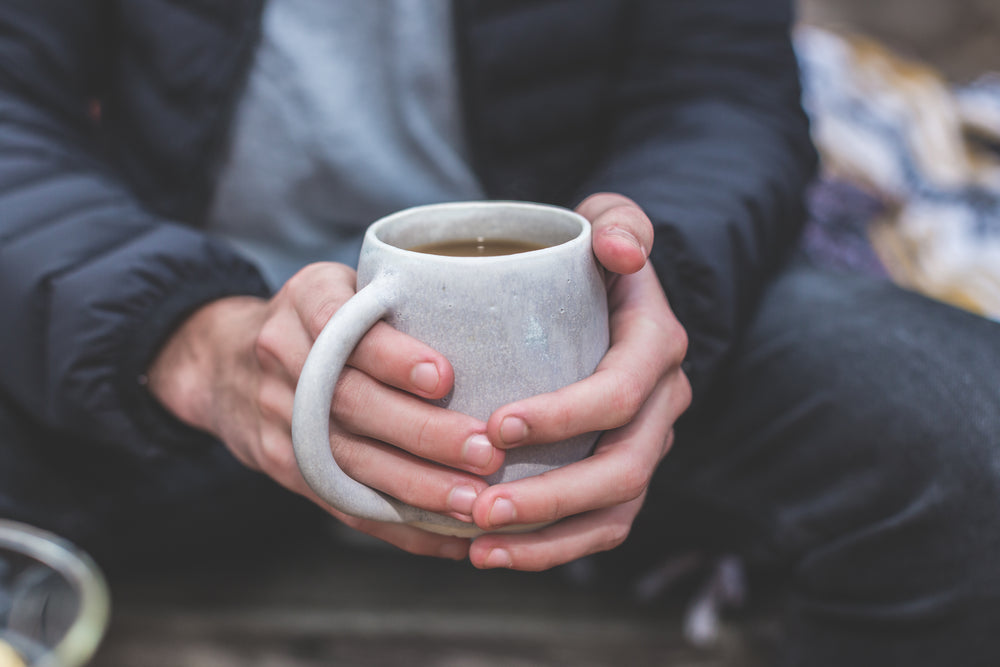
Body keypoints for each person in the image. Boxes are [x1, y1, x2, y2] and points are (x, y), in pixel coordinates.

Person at [0, 1, 996, 665]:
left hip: (587, 347)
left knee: (961, 441)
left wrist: (662, 278)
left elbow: (718, 89)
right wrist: (186, 339)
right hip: (148, 350)